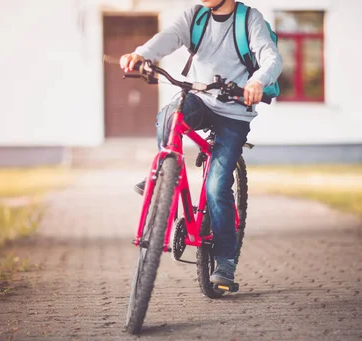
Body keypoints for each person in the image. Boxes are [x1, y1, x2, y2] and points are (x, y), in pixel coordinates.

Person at [119, 0, 282, 287]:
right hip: (201, 99)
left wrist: (257, 81)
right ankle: (164, 174)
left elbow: (271, 57)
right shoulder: (196, 16)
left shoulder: (249, 20)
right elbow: (169, 37)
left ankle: (225, 263)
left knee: (217, 186)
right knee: (172, 112)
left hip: (234, 110)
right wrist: (141, 54)